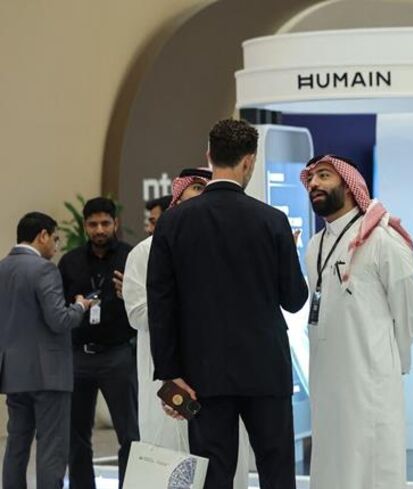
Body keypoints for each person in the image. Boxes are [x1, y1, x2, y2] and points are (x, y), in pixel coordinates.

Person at [148, 119, 308, 489]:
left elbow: (161, 303)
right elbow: (295, 299)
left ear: (209, 155)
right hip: (266, 369)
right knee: (276, 472)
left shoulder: (173, 223)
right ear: (248, 162)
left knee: (213, 475)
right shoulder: (273, 221)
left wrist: (170, 372)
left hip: (202, 373)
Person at [124, 167, 252, 489]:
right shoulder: (145, 252)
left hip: (221, 377)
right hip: (167, 377)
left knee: (223, 461)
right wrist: (188, 308)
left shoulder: (229, 249)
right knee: (170, 460)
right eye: (195, 190)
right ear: (177, 200)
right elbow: (137, 314)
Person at [300, 154, 413, 489]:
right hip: (326, 380)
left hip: (370, 379)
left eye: (324, 176)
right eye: (311, 178)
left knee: (371, 464)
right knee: (332, 462)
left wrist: (392, 362)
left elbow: (407, 309)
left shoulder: (382, 239)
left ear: (351, 187)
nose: (314, 184)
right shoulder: (315, 245)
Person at [0, 212, 93, 489]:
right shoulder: (44, 269)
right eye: (55, 238)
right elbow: (59, 320)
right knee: (52, 446)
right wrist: (80, 307)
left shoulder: (2, 268)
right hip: (48, 373)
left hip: (13, 372)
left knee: (16, 443)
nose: (56, 245)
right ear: (42, 235)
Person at [58, 197, 139, 489]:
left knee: (129, 433)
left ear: (115, 223)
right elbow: (59, 308)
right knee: (76, 435)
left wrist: (127, 293)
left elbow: (147, 300)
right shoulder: (70, 262)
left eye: (105, 223)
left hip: (118, 354)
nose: (100, 230)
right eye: (93, 224)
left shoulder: (130, 258)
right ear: (85, 226)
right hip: (79, 356)